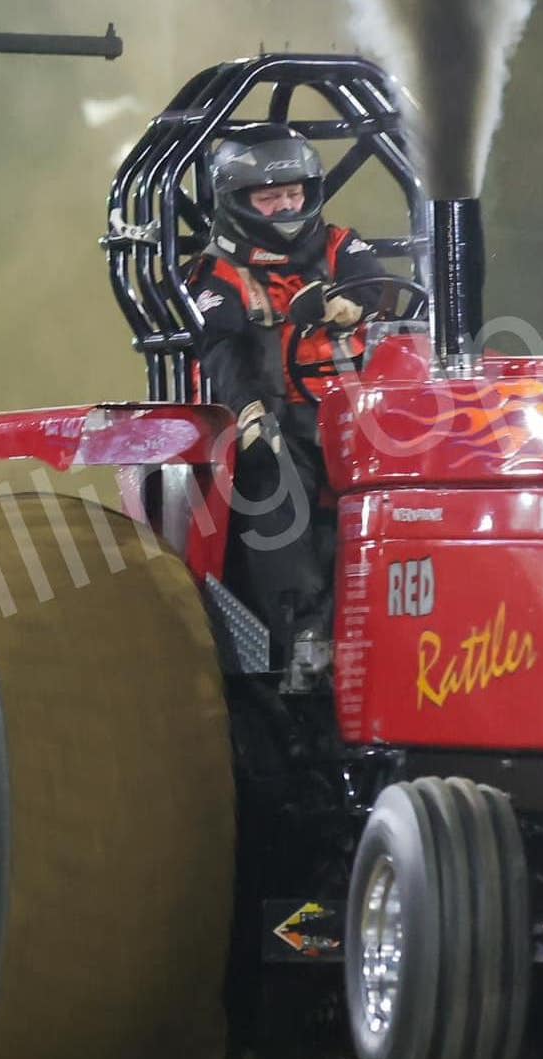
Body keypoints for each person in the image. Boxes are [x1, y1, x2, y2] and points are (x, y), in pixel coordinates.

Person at [185, 123, 388, 677]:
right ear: (237, 201)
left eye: (294, 193)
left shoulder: (340, 245)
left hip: (362, 414)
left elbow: (373, 284)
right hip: (278, 418)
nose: (286, 207)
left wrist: (349, 305)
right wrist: (250, 411)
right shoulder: (218, 275)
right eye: (270, 197)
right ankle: (304, 636)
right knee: (271, 470)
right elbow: (221, 349)